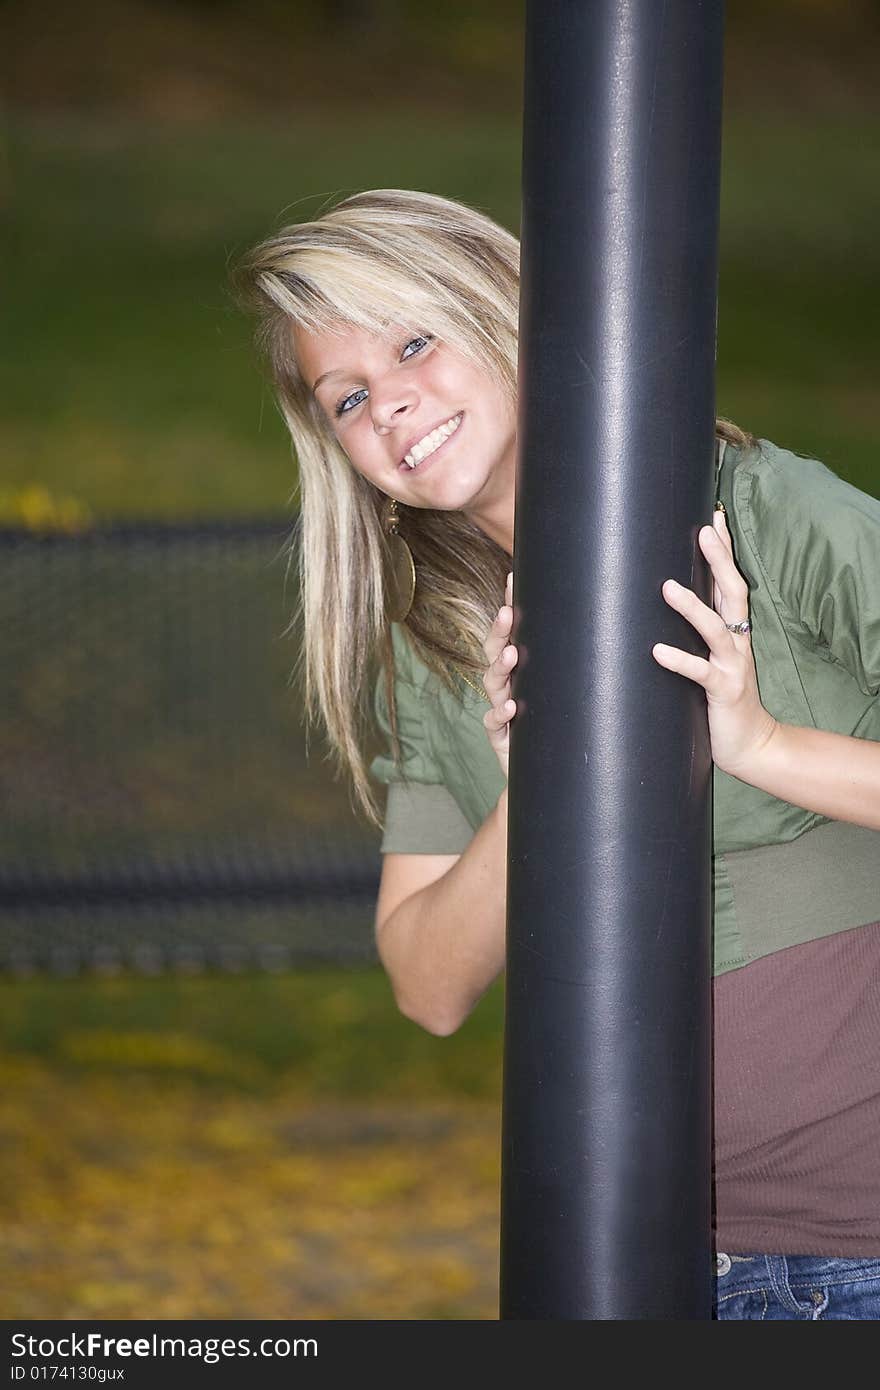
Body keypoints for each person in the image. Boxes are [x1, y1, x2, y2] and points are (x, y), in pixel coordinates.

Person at [234, 187, 880, 1320]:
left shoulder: (761, 514)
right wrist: (532, 786)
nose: (391, 405)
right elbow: (428, 985)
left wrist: (764, 744)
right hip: (640, 1267)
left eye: (414, 342)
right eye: (347, 398)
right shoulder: (441, 646)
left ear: (506, 313)